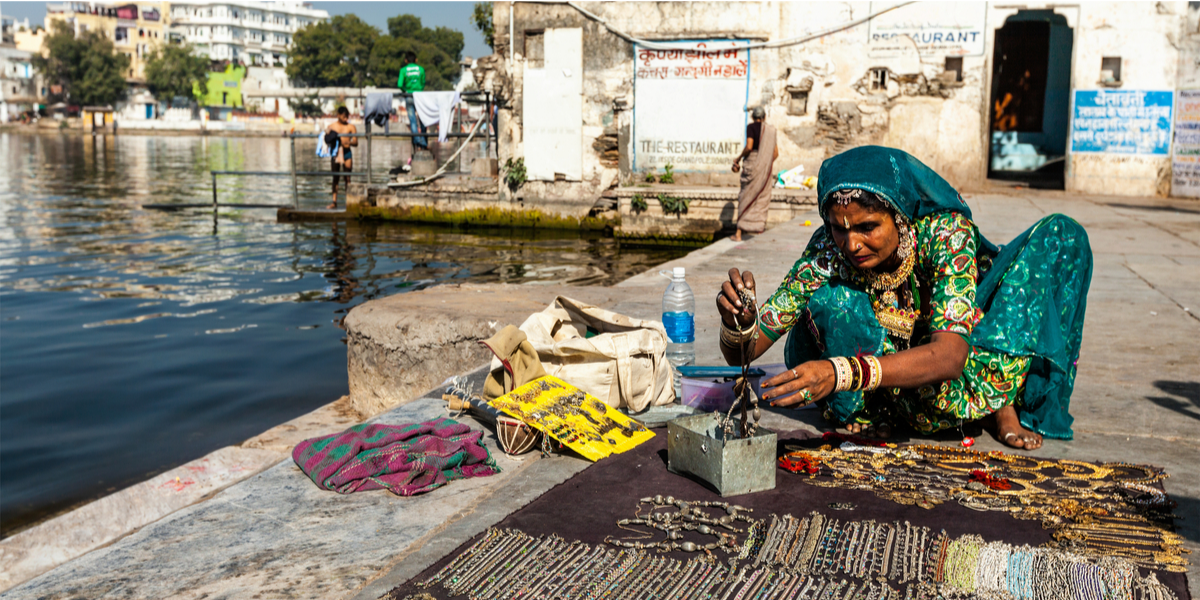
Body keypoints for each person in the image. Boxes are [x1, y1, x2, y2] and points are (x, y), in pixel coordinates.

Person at [716, 146, 1092, 450]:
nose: (852, 244)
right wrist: (739, 323)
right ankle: (879, 411)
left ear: (899, 217)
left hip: (947, 367)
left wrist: (840, 372)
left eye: (868, 227)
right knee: (835, 303)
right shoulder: (827, 250)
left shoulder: (947, 235)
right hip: (879, 386)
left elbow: (950, 356)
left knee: (1058, 239)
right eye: (838, 229)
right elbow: (744, 353)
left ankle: (1000, 405)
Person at [731, 106, 779, 242]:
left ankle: (739, 234)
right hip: (764, 168)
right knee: (761, 199)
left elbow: (749, 146)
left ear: (753, 117)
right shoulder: (770, 131)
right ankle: (759, 232)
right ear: (764, 117)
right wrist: (764, 164)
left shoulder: (751, 127)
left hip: (751, 165)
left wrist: (739, 157)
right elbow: (775, 153)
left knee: (745, 196)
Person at [398, 52, 428, 167]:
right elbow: (423, 82)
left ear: (406, 60)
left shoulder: (403, 70)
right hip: (420, 96)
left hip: (409, 96)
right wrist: (419, 89)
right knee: (423, 120)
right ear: (416, 59)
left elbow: (400, 84)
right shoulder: (421, 69)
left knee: (413, 121)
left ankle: (418, 141)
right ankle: (424, 142)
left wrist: (405, 90)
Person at [326, 106, 357, 209]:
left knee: (347, 178)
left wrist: (348, 142)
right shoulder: (332, 126)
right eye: (344, 117)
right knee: (335, 178)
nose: (346, 119)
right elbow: (326, 139)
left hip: (347, 152)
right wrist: (327, 133)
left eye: (347, 117)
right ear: (338, 115)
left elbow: (355, 142)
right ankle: (334, 202)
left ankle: (349, 202)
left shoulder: (351, 127)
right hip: (336, 153)